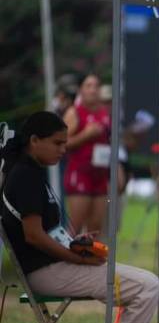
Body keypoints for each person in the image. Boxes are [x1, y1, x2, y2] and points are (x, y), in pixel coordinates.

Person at [0, 111, 159, 323]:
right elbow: (33, 236)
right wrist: (76, 258)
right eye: (58, 143)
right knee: (147, 286)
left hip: (53, 266)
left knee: (143, 283)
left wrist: (75, 244)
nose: (64, 149)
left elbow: (43, 232)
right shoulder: (25, 175)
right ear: (34, 141)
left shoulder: (30, 170)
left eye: (65, 143)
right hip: (46, 272)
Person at [62, 73, 111, 236]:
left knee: (96, 228)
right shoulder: (74, 112)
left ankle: (91, 259)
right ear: (81, 90)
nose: (93, 90)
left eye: (96, 86)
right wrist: (86, 135)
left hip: (100, 175)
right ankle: (69, 260)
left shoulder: (105, 113)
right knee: (75, 226)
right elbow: (62, 143)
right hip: (80, 175)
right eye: (88, 86)